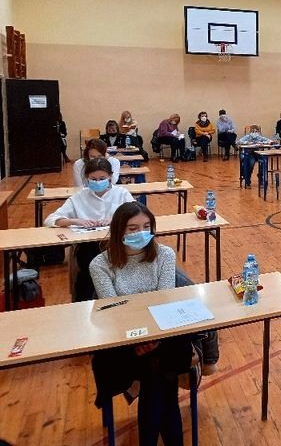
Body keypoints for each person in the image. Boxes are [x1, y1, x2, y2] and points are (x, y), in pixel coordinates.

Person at [89, 201, 194, 446]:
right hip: (125, 341)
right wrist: (139, 340)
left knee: (157, 375)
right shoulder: (100, 264)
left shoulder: (164, 255)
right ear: (119, 231)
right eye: (133, 228)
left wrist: (153, 338)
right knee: (160, 380)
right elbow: (115, 311)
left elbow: (164, 301)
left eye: (147, 227)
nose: (142, 233)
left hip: (162, 335)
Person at [45, 157, 135, 301]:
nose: (98, 182)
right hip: (89, 246)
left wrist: (115, 219)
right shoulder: (79, 197)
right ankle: (86, 302)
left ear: (110, 177)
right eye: (93, 179)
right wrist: (76, 221)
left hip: (117, 244)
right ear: (87, 178)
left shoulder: (121, 194)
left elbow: (137, 215)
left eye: (102, 178)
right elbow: (50, 220)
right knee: (88, 270)